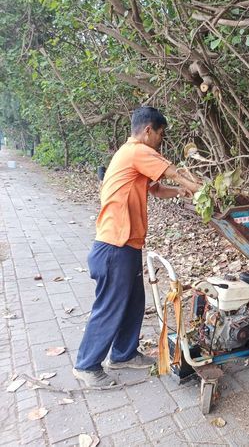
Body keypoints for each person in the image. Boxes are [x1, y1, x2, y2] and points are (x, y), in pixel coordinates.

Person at [73, 107, 200, 387]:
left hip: (126, 245)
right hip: (113, 246)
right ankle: (87, 365)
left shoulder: (131, 158)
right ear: (147, 131)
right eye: (160, 135)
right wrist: (200, 188)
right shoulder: (135, 151)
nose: (161, 141)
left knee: (133, 303)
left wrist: (182, 192)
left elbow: (156, 189)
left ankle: (123, 354)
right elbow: (173, 173)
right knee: (109, 307)